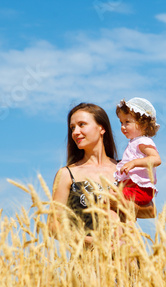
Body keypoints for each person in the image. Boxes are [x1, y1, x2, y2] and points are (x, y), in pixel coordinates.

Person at [47, 102, 155, 248]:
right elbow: (53, 226)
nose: (75, 132)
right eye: (72, 127)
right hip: (88, 264)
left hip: (127, 261)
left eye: (82, 124)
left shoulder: (125, 168)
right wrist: (94, 242)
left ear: (101, 128)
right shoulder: (67, 174)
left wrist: (119, 204)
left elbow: (150, 211)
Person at [114, 97, 161, 207]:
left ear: (143, 124)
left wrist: (134, 163)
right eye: (121, 122)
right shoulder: (134, 142)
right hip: (131, 186)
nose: (123, 127)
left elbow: (156, 159)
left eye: (127, 122)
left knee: (110, 196)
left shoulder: (143, 141)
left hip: (140, 188)